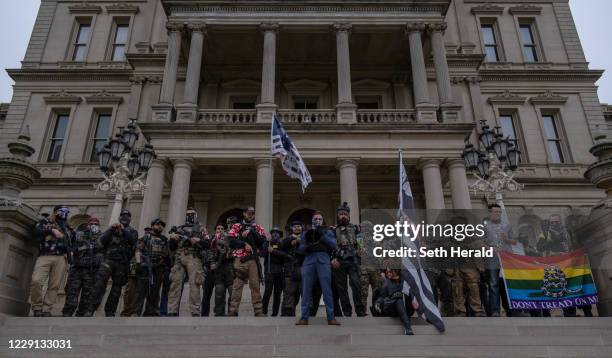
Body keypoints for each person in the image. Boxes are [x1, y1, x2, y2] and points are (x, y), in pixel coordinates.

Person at [84, 209, 138, 316]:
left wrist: (123, 231)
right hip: (108, 260)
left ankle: (110, 311)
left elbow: (133, 242)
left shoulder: (132, 231)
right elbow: (100, 243)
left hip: (122, 263)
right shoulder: (111, 230)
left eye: (127, 216)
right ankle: (90, 309)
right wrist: (111, 230)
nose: (125, 218)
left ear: (130, 219)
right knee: (99, 284)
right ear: (119, 218)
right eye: (123, 216)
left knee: (116, 289)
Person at [296, 211, 340, 326]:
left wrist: (322, 235)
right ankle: (304, 317)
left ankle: (331, 317)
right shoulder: (306, 233)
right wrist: (306, 246)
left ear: (323, 220)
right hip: (309, 260)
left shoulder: (328, 232)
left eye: (320, 219)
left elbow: (333, 244)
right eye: (315, 219)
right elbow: (300, 250)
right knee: (306, 290)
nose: (317, 220)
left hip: (323, 259)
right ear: (312, 221)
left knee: (327, 289)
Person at [30, 206, 73, 317]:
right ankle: (37, 307)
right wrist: (51, 230)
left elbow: (72, 242)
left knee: (54, 285)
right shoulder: (45, 221)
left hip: (61, 258)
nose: (64, 214)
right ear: (55, 212)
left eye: (66, 212)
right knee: (36, 281)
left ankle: (46, 309)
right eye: (61, 211)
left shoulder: (68, 227)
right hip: (45, 255)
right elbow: (35, 232)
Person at [122, 219, 170, 316]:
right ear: (152, 226)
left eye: (162, 225)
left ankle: (151, 312)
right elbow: (138, 250)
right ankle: (135, 312)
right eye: (158, 225)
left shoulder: (164, 239)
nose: (160, 227)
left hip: (158, 268)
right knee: (140, 291)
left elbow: (166, 254)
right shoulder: (145, 237)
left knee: (154, 292)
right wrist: (139, 263)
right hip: (145, 267)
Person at [227, 206, 268, 317]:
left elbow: (263, 243)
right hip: (240, 260)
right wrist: (243, 244)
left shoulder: (258, 227)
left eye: (252, 213)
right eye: (248, 213)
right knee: (237, 285)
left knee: (255, 286)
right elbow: (230, 240)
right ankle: (233, 310)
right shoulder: (237, 226)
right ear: (244, 214)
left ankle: (258, 311)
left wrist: (252, 231)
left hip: (253, 260)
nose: (250, 215)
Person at [167, 208, 208, 317]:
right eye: (188, 215)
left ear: (196, 215)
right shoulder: (179, 229)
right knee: (175, 283)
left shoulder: (201, 229)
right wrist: (173, 239)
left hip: (194, 257)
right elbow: (171, 247)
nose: (190, 217)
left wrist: (199, 240)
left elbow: (208, 244)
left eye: (192, 214)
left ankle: (195, 311)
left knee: (194, 284)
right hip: (179, 257)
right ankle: (172, 310)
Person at [62, 217, 102, 317]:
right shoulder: (80, 234)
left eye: (96, 224)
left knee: (87, 297)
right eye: (91, 223)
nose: (93, 225)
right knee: (71, 295)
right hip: (77, 269)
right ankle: (67, 313)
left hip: (91, 270)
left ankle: (80, 315)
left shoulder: (102, 237)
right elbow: (71, 246)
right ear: (87, 225)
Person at [331, 202, 366, 317]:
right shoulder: (332, 230)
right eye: (341, 214)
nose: (343, 216)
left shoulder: (356, 228)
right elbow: (330, 246)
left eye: (345, 214)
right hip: (339, 261)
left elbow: (360, 245)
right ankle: (347, 312)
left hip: (353, 260)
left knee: (356, 285)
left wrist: (360, 251)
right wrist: (333, 258)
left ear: (349, 216)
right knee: (342, 289)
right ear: (337, 216)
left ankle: (360, 311)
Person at [483, 204, 514, 317]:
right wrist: (491, 249)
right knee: (493, 284)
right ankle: (495, 310)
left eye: (499, 212)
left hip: (506, 260)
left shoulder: (507, 226)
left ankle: (511, 309)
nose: (498, 214)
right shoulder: (484, 226)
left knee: (507, 284)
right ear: (490, 213)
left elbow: (514, 241)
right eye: (495, 212)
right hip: (491, 259)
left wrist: (507, 240)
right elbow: (480, 243)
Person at [372, 269, 414, 335]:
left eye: (390, 272)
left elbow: (411, 294)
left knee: (400, 299)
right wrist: (378, 303)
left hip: (405, 307)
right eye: (387, 272)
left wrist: (403, 295)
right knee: (398, 300)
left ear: (396, 272)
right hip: (391, 307)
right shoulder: (387, 282)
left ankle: (407, 326)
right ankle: (407, 327)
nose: (388, 274)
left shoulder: (404, 281)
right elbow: (382, 296)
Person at [209, 218, 236, 316]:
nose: (220, 230)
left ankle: (232, 312)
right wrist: (212, 263)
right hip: (219, 269)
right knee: (219, 292)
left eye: (222, 229)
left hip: (230, 267)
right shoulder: (213, 240)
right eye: (218, 228)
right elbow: (211, 253)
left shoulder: (230, 238)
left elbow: (235, 251)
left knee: (232, 292)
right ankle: (219, 313)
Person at [262, 227, 288, 316]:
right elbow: (262, 253)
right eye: (273, 232)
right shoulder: (267, 243)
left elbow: (285, 255)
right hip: (269, 270)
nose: (275, 234)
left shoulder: (282, 244)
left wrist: (273, 251)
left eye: (277, 233)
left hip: (279, 271)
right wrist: (266, 243)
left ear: (280, 235)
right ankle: (263, 311)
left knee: (277, 293)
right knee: (268, 291)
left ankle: (275, 313)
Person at [280, 221, 304, 316]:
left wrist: (300, 241)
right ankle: (287, 313)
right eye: (295, 227)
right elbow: (282, 247)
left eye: (299, 226)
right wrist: (291, 241)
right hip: (290, 270)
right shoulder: (287, 239)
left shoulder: (305, 238)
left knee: (300, 294)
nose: (297, 228)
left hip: (303, 269)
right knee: (289, 293)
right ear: (292, 229)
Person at [359, 221, 382, 315]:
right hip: (366, 269)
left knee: (373, 291)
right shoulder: (360, 241)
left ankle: (367, 311)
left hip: (373, 269)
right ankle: (368, 311)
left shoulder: (375, 242)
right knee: (366, 292)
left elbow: (380, 256)